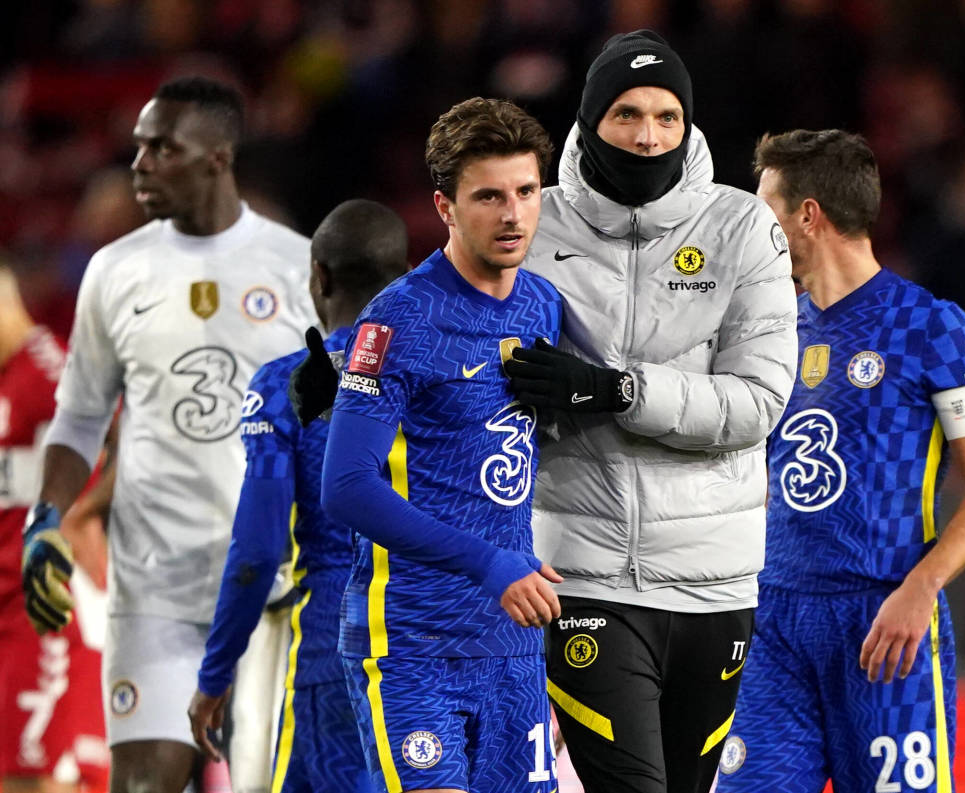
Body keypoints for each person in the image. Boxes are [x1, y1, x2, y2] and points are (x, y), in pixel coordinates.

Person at [503, 29, 799, 793]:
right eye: (627, 113)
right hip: (582, 574)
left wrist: (614, 389)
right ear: (590, 118)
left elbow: (759, 399)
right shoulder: (534, 221)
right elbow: (447, 326)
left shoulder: (742, 228)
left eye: (667, 115)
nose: (647, 134)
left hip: (717, 581)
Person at [20, 76, 318, 793]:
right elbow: (82, 415)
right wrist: (50, 516)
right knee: (144, 783)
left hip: (275, 585)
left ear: (218, 156)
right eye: (138, 147)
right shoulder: (113, 271)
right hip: (153, 585)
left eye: (162, 148)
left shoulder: (298, 266)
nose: (140, 164)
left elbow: (342, 418)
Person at [715, 130, 965, 793]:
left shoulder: (932, 328)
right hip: (778, 621)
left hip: (885, 621)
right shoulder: (768, 330)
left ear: (809, 215)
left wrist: (922, 587)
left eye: (765, 209)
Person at [320, 98, 562, 793]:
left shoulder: (543, 305)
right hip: (412, 645)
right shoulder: (399, 318)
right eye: (488, 196)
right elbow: (347, 485)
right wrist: (489, 562)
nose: (513, 214)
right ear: (446, 206)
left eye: (525, 192)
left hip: (514, 645)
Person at [186, 199, 408, 793]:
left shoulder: (287, 385)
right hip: (449, 644)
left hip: (340, 648)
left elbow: (257, 551)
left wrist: (214, 674)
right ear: (405, 277)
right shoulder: (452, 375)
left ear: (319, 277)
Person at [1, 260, 108, 792]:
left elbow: (113, 452)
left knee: (39, 774)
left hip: (40, 606)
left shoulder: (49, 372)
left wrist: (83, 521)